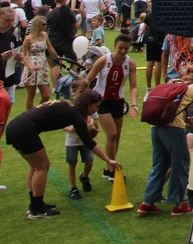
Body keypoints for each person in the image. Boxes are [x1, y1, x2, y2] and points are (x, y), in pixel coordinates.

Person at [4, 89, 120, 219]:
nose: (97, 110)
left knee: (35, 166)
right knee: (42, 167)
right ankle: (36, 210)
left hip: (15, 126)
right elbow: (89, 143)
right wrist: (108, 160)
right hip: (25, 130)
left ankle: (35, 205)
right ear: (88, 104)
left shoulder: (68, 105)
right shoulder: (76, 116)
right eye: (96, 106)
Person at [137, 65, 193, 217]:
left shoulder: (169, 84)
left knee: (159, 164)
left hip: (156, 126)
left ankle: (148, 202)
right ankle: (178, 203)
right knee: (180, 163)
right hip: (174, 128)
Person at [85, 33, 139, 182]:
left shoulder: (130, 63)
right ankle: (112, 169)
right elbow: (88, 80)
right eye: (120, 48)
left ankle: (107, 168)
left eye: (126, 49)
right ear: (114, 46)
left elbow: (133, 86)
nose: (123, 51)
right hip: (101, 101)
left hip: (118, 101)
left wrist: (134, 104)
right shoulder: (103, 60)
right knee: (112, 134)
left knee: (117, 135)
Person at [62, 77, 96, 200]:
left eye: (86, 92)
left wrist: (91, 124)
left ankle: (84, 176)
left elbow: (94, 117)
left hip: (85, 139)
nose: (83, 95)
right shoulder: (68, 105)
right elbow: (61, 123)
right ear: (74, 91)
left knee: (89, 161)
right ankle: (73, 188)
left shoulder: (89, 105)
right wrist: (69, 129)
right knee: (72, 163)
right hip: (72, 140)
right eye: (81, 92)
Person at [20, 17, 57, 110]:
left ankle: (36, 111)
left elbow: (50, 48)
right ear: (37, 25)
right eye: (43, 24)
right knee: (31, 94)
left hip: (42, 65)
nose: (45, 26)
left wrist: (57, 58)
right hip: (32, 65)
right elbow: (23, 55)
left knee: (46, 95)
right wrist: (30, 66)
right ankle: (29, 114)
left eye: (45, 24)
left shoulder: (44, 35)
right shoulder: (29, 38)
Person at [46, 0, 77, 87]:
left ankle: (55, 86)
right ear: (65, 0)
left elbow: (46, 27)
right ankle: (70, 83)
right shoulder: (68, 12)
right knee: (73, 60)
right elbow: (75, 25)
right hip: (67, 40)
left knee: (55, 64)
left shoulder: (50, 14)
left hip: (53, 40)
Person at [1, 6, 22, 104]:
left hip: (9, 80)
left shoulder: (11, 36)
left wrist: (18, 58)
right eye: (7, 20)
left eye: (12, 20)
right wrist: (1, 58)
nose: (10, 23)